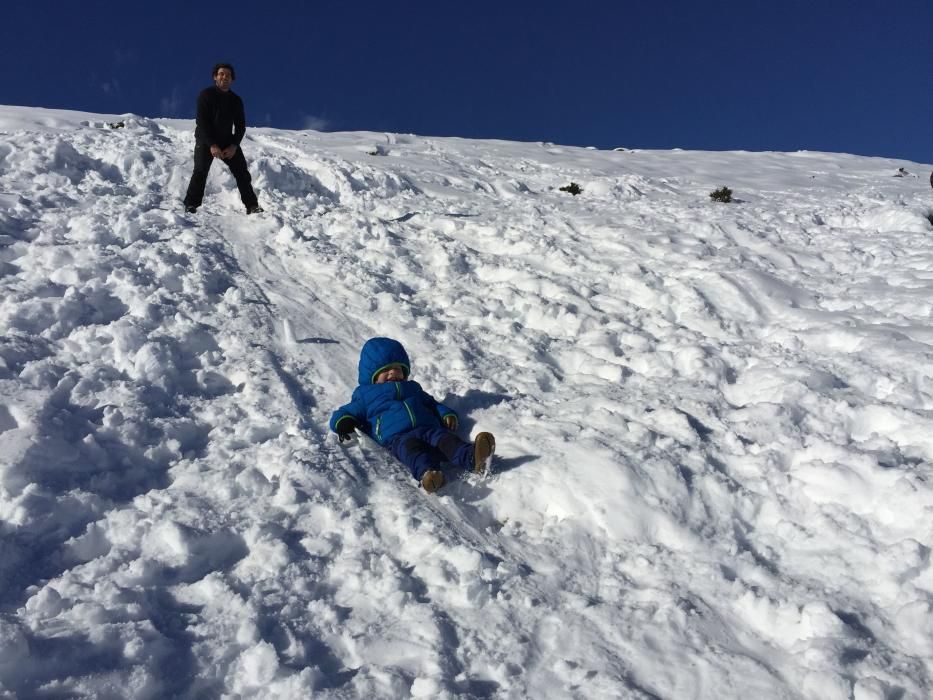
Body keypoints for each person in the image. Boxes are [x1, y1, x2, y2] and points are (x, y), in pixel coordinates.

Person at [329, 337, 496, 493]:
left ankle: (473, 459)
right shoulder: (366, 395)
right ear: (371, 375)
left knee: (448, 440)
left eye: (397, 368)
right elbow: (344, 412)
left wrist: (446, 414)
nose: (393, 373)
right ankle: (429, 475)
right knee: (414, 453)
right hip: (397, 437)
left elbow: (432, 404)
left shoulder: (413, 388)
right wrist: (344, 422)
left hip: (428, 429)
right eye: (385, 370)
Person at [183, 62, 263, 215]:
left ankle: (252, 206)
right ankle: (191, 204)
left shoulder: (236, 100)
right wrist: (212, 144)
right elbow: (202, 122)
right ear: (215, 77)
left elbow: (241, 127)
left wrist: (234, 145)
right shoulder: (206, 95)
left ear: (232, 79)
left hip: (227, 141)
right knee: (200, 170)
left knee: (242, 173)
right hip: (206, 139)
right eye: (221, 74)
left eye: (228, 75)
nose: (224, 77)